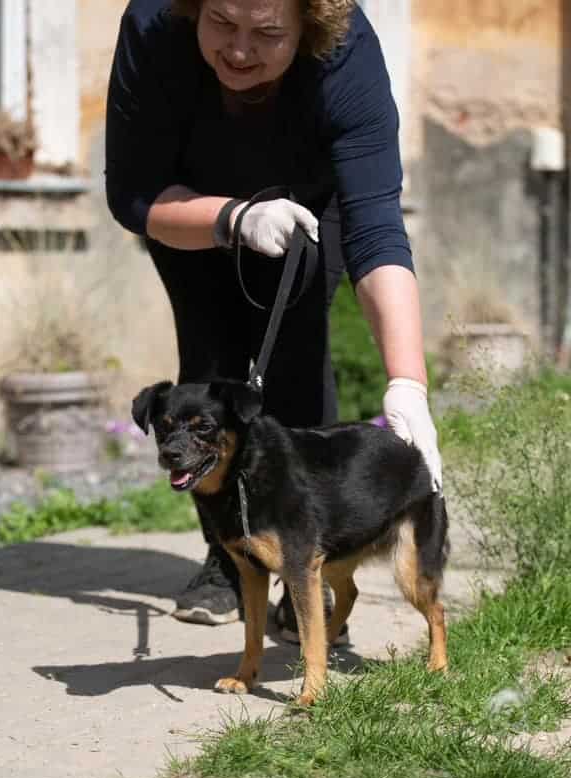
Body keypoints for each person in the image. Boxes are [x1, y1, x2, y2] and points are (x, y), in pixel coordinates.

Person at [105, 0, 443, 638]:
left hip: (309, 209)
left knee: (295, 357)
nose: (239, 50)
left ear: (308, 26)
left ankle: (306, 562)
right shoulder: (154, 24)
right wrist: (231, 218)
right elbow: (132, 193)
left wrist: (407, 384)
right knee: (207, 364)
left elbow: (376, 229)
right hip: (187, 208)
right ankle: (227, 558)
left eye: (266, 33)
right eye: (222, 23)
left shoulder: (346, 51)